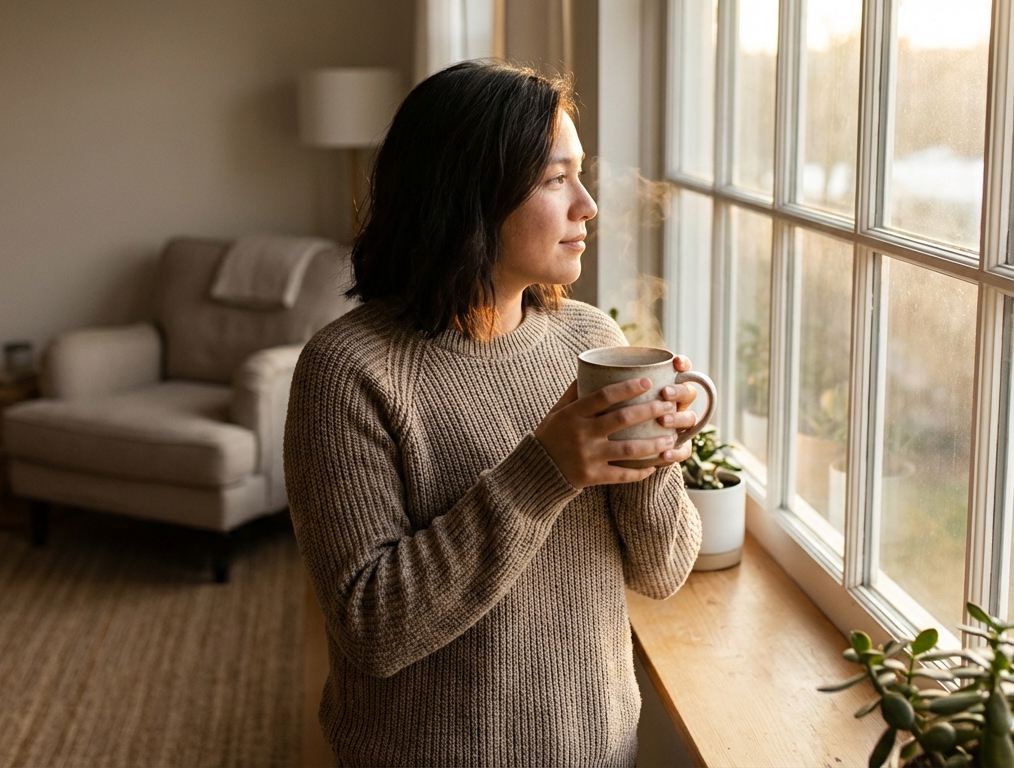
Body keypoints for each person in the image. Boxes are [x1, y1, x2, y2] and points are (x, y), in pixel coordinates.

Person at [284, 61, 702, 767]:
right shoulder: (348, 372)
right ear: (468, 197)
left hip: (598, 748)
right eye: (554, 179)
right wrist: (545, 469)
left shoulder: (591, 341)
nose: (588, 205)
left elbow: (663, 572)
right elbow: (372, 628)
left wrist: (654, 460)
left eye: (582, 173)